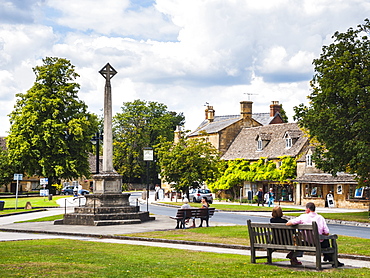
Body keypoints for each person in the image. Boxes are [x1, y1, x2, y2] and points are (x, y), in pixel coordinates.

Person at [286, 202, 344, 267]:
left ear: (308, 209)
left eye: (305, 209)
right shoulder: (320, 218)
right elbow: (327, 232)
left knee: (324, 241)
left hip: (307, 243)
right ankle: (331, 259)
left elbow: (288, 223)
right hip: (319, 243)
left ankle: (328, 257)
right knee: (326, 241)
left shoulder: (302, 217)